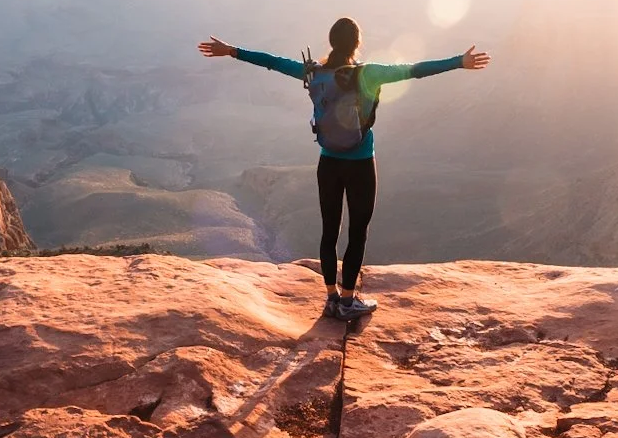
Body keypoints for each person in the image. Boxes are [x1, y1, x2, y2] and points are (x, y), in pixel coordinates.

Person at [199, 17, 488, 320]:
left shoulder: (313, 71)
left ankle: (331, 298)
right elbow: (414, 70)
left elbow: (272, 62)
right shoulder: (368, 74)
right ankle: (348, 302)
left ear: (332, 42)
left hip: (328, 163)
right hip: (361, 163)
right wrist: (459, 62)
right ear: (357, 43)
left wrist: (231, 51)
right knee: (358, 232)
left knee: (329, 231)